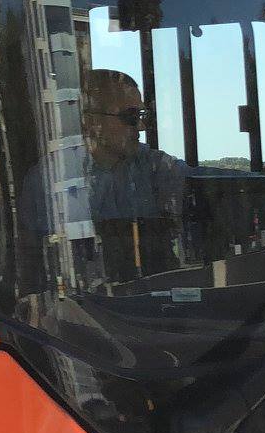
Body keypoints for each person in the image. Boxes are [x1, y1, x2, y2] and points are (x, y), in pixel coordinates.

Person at [79, 68, 185, 280]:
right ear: (92, 122)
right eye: (131, 116)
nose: (142, 126)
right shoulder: (53, 180)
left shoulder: (154, 166)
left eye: (142, 115)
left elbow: (199, 180)